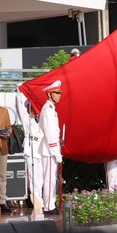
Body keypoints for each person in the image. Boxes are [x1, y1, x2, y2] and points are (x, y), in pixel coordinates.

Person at [17, 96, 45, 215]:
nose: (33, 111)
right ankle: (37, 202)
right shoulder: (26, 120)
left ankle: (40, 201)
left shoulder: (39, 121)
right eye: (31, 109)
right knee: (33, 179)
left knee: (40, 179)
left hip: (40, 151)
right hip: (31, 150)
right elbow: (19, 107)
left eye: (34, 109)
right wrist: (19, 93)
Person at [39, 80, 63, 215]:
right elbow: (49, 132)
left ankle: (50, 203)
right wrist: (55, 151)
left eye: (59, 93)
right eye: (56, 93)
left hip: (52, 149)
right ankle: (48, 206)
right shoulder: (47, 110)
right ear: (49, 94)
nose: (59, 95)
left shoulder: (51, 109)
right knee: (49, 179)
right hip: (49, 150)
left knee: (53, 178)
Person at [0, 85, 13, 214]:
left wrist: (7, 133)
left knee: (2, 175)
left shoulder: (4, 111)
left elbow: (9, 127)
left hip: (2, 145)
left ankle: (1, 200)